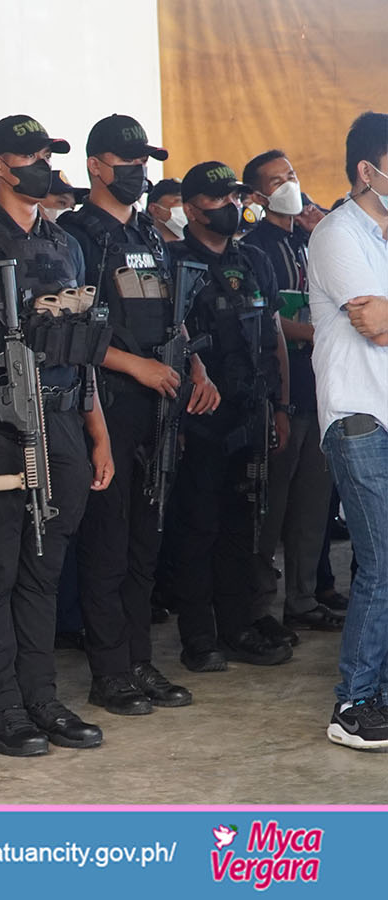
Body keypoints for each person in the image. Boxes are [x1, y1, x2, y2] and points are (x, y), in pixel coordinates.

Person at [0, 115, 115, 757]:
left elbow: (82, 351)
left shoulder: (67, 244)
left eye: (47, 153)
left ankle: (41, 697)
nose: (43, 163)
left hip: (61, 418)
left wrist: (98, 433)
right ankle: (2, 707)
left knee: (45, 568)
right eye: (30, 154)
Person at [61, 114, 207, 717]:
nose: (137, 171)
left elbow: (173, 316)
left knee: (145, 545)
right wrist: (135, 366)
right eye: (125, 160)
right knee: (107, 546)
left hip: (159, 407)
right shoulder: (76, 235)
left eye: (143, 160)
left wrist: (196, 367)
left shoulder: (149, 234)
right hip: (107, 404)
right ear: (96, 164)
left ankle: (140, 661)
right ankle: (110, 671)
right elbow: (70, 330)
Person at [156, 161, 293, 671]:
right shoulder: (172, 262)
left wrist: (280, 405)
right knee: (197, 527)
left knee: (244, 525)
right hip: (197, 418)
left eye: (235, 197)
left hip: (252, 411)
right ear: (190, 208)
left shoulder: (253, 257)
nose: (230, 207)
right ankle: (198, 637)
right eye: (218, 199)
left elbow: (273, 332)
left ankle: (238, 626)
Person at [309, 110, 388, 750]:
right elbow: (373, 322)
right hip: (357, 416)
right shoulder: (337, 233)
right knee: (380, 559)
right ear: (368, 170)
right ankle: (352, 704)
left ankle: (379, 691)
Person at [242, 150, 344, 638]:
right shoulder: (257, 247)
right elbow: (267, 319)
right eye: (278, 180)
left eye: (293, 175)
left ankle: (302, 599)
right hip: (283, 394)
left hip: (321, 391)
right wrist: (314, 332)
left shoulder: (312, 240)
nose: (290, 184)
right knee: (273, 508)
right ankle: (260, 604)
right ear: (259, 196)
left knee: (313, 507)